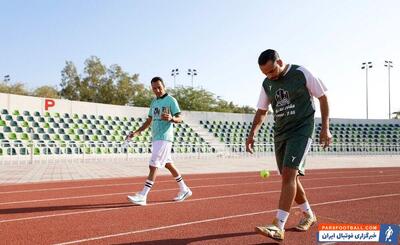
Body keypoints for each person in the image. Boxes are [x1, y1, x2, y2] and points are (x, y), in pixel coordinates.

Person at [246, 49, 332, 241]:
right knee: (289, 177)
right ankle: (309, 214)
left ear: (280, 62)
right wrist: (252, 134)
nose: (269, 76)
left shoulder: (301, 72)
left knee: (289, 175)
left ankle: (278, 225)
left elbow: (323, 97)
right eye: (265, 73)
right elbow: (262, 110)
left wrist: (325, 128)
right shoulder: (267, 83)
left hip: (301, 130)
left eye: (271, 71)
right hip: (280, 133)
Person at [127, 76, 192, 206]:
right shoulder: (154, 102)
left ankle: (143, 195)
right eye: (154, 88)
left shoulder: (171, 100)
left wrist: (172, 118)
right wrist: (137, 132)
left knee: (153, 165)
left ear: (164, 86)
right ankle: (184, 189)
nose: (157, 90)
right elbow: (149, 120)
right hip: (156, 137)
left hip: (165, 137)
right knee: (168, 164)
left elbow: (180, 117)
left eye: (159, 87)